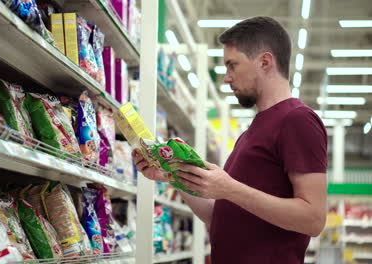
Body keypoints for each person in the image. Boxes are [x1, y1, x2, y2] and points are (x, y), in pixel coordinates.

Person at [132, 16, 327, 264]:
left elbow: (313, 219)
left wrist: (230, 189)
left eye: (232, 65)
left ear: (265, 62)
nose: (226, 77)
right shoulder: (251, 132)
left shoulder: (297, 120)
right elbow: (220, 217)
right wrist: (174, 175)